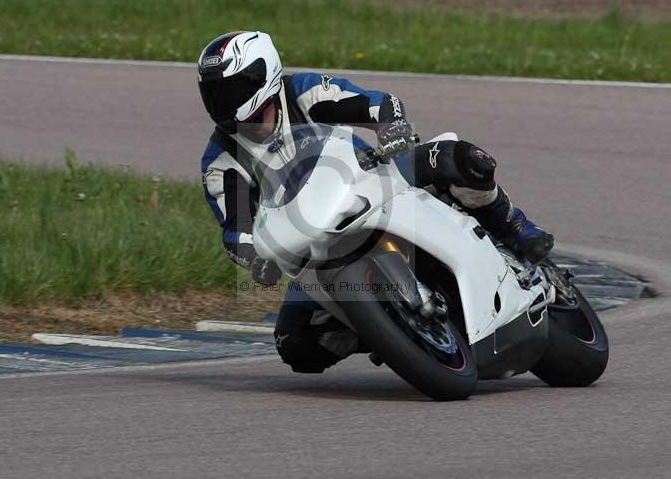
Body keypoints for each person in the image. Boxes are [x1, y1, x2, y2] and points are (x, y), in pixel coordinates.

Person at [199, 31, 554, 373]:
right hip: (314, 244)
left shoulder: (303, 92)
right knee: (296, 346)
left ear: (265, 76)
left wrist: (391, 126)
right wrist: (254, 256)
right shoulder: (221, 159)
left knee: (459, 160)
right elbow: (235, 227)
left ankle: (513, 224)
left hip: (377, 180)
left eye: (232, 90)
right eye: (214, 93)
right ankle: (386, 329)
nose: (223, 102)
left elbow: (379, 103)